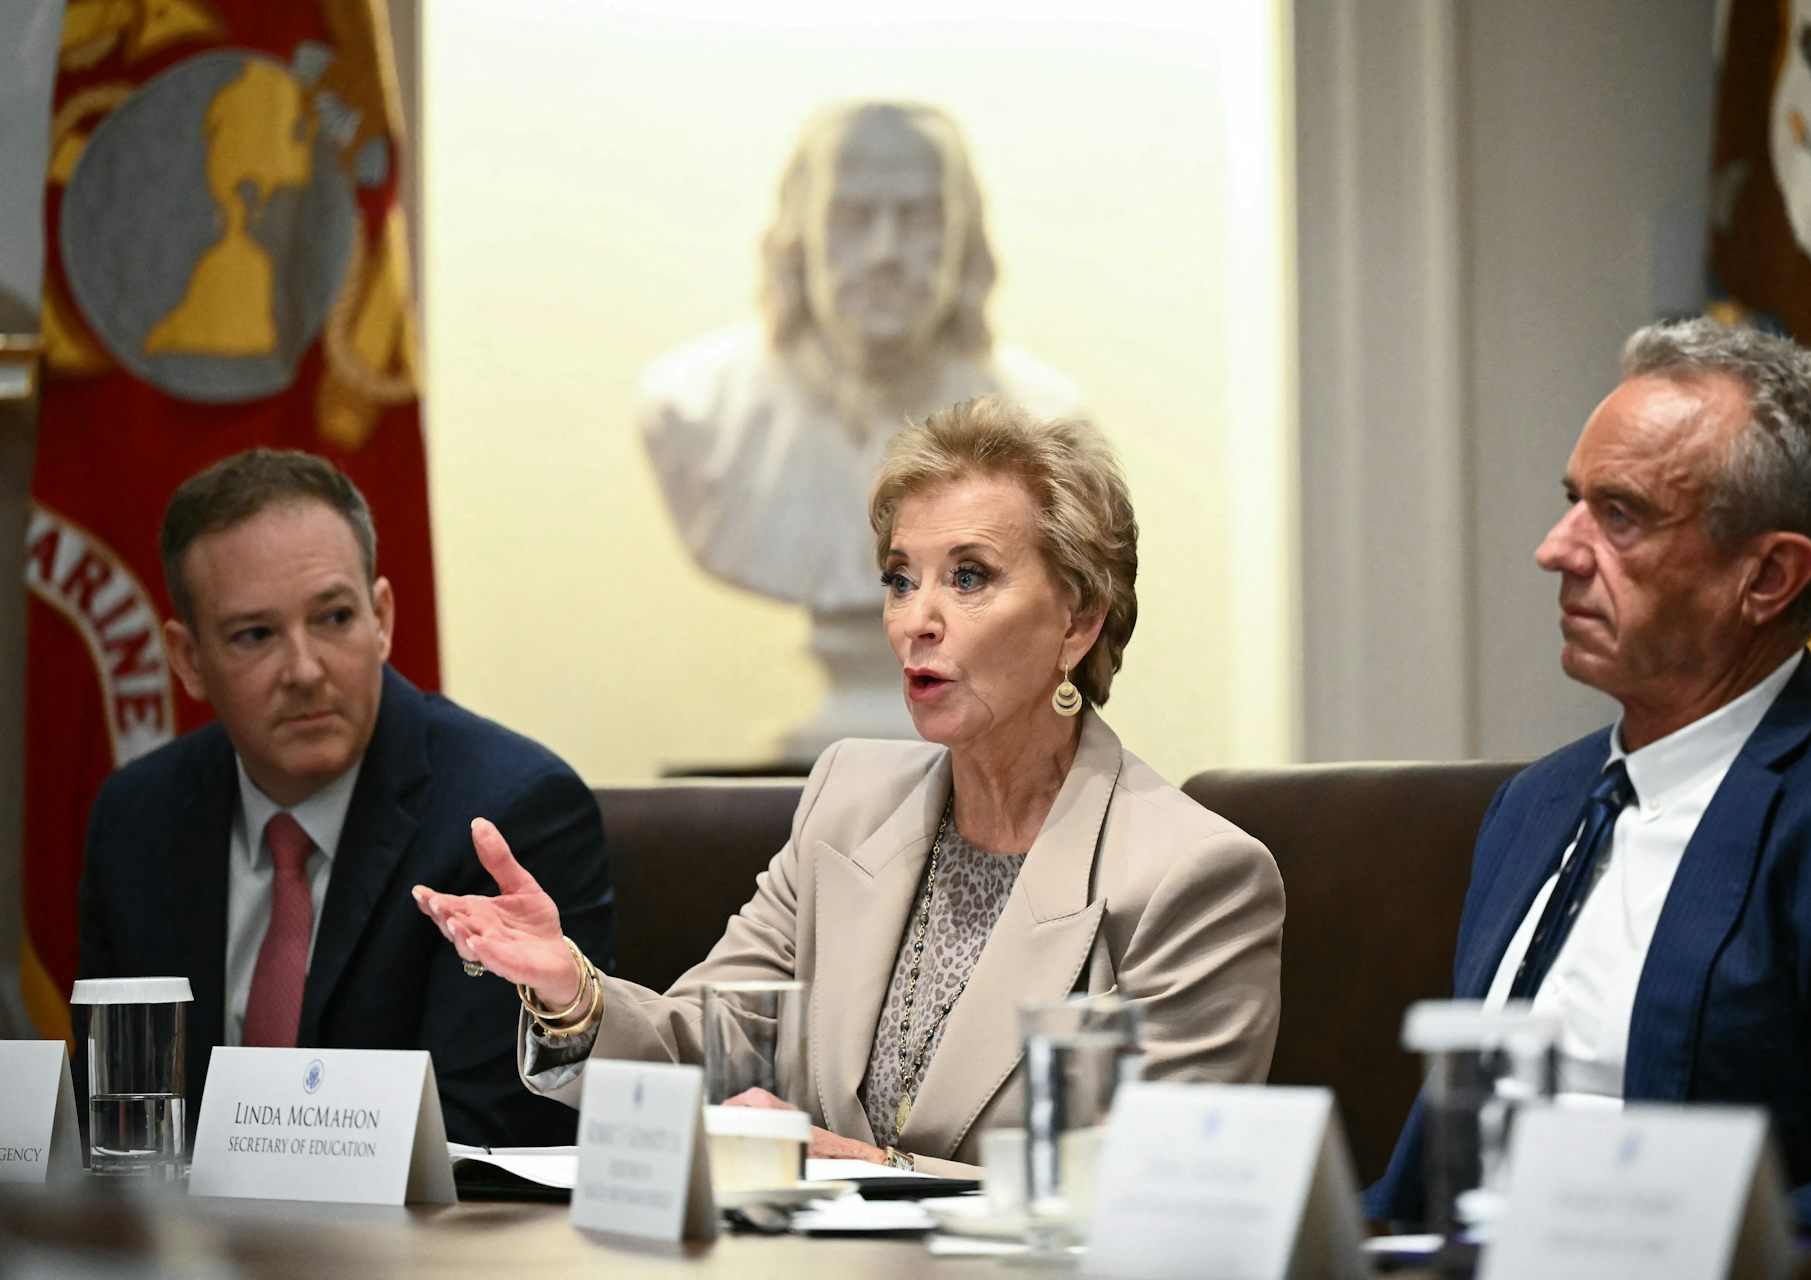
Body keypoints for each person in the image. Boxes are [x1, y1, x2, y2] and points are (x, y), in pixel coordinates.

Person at [418, 398, 1284, 1175]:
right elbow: (707, 1051)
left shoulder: (1192, 876)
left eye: (969, 576)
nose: (915, 619)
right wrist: (569, 989)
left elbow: (1154, 1195)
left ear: (1078, 619)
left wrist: (864, 1166)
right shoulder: (849, 799)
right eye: (901, 578)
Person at [1367, 319, 1811, 1240]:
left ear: (1770, 575)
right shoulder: (1535, 805)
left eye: (1620, 516)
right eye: (1573, 501)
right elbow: (1438, 1174)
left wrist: (1637, 1249)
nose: (1557, 548)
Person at [75, 448, 613, 1147]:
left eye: (333, 618)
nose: (304, 670)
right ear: (188, 660)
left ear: (381, 617)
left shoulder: (508, 815)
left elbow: (485, 1134)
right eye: (255, 635)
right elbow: (115, 1124)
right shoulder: (137, 820)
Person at [638, 101, 1083, 756]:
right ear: (799, 234)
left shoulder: (1045, 424)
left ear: (964, 237)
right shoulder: (694, 412)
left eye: (918, 220)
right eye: (851, 218)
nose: (884, 253)